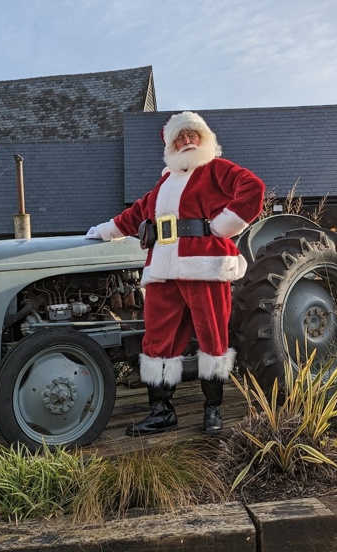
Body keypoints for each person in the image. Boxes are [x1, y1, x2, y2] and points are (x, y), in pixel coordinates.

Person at [86, 111, 265, 436]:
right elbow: (137, 213)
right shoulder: (165, 183)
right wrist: (105, 231)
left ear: (203, 138)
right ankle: (162, 413)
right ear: (171, 144)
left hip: (204, 266)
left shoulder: (215, 169)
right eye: (179, 137)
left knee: (212, 337)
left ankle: (212, 409)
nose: (186, 141)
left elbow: (253, 188)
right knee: (158, 339)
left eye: (192, 134)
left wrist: (223, 226)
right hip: (163, 269)